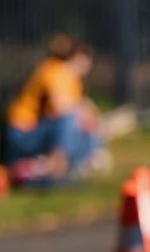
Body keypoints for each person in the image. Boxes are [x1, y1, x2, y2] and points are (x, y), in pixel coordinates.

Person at [4, 35, 107, 185]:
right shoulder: (53, 71)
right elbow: (61, 108)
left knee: (89, 138)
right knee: (68, 119)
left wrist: (92, 120)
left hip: (39, 131)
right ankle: (53, 167)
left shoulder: (72, 80)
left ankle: (40, 167)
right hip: (23, 133)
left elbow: (81, 106)